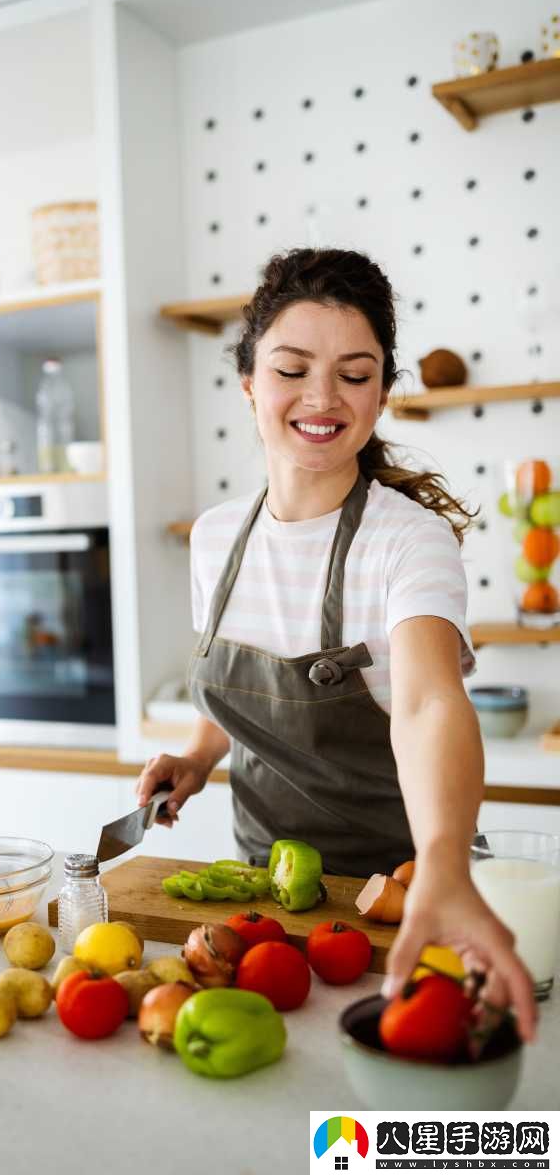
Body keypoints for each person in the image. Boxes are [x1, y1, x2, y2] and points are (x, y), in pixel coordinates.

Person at [136, 248, 536, 1042]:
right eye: (292, 369)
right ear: (249, 380)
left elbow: (426, 703)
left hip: (399, 897)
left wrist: (447, 867)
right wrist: (196, 757)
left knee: (362, 1128)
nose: (323, 398)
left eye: (355, 375)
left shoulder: (408, 541)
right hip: (262, 897)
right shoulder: (218, 539)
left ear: (383, 393)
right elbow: (241, 698)